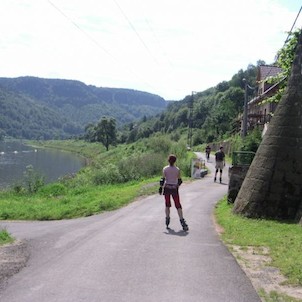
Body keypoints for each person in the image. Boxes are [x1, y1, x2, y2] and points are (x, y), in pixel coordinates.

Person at [159, 154, 189, 231]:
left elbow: (162, 180)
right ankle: (182, 220)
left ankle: (167, 218)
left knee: (167, 204)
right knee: (178, 204)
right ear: (175, 161)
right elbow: (180, 180)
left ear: (168, 160)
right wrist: (177, 186)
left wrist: (160, 188)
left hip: (167, 188)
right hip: (174, 188)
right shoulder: (177, 169)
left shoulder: (165, 169)